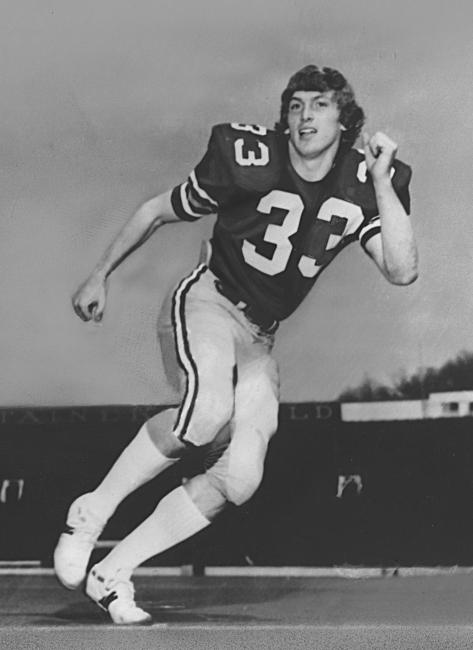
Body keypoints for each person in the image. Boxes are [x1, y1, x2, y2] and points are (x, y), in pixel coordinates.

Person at [54, 64, 418, 624]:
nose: (305, 116)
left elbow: (402, 270)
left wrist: (383, 181)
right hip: (209, 301)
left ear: (346, 121)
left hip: (259, 338)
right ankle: (89, 515)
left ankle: (113, 572)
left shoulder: (362, 181)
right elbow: (156, 210)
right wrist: (99, 274)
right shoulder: (252, 160)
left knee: (241, 477)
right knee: (205, 414)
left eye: (320, 104)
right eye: (295, 105)